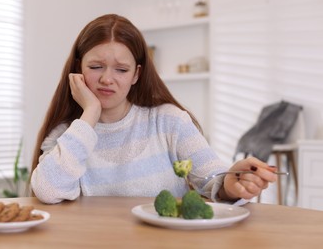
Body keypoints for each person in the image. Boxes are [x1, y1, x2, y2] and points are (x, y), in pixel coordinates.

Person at [30, 14, 277, 204]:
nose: (107, 79)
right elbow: (48, 191)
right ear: (78, 68)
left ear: (136, 74)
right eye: (95, 67)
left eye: (121, 70)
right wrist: (90, 113)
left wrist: (232, 183)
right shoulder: (69, 135)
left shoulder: (169, 121)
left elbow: (212, 179)